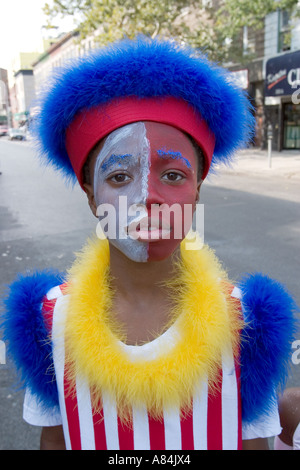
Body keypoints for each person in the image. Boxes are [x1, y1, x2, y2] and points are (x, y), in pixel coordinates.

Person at [2, 37, 298, 451]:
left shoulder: (247, 325)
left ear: (197, 191)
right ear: (91, 196)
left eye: (174, 175)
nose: (148, 198)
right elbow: (53, 442)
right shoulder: (50, 321)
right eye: (119, 177)